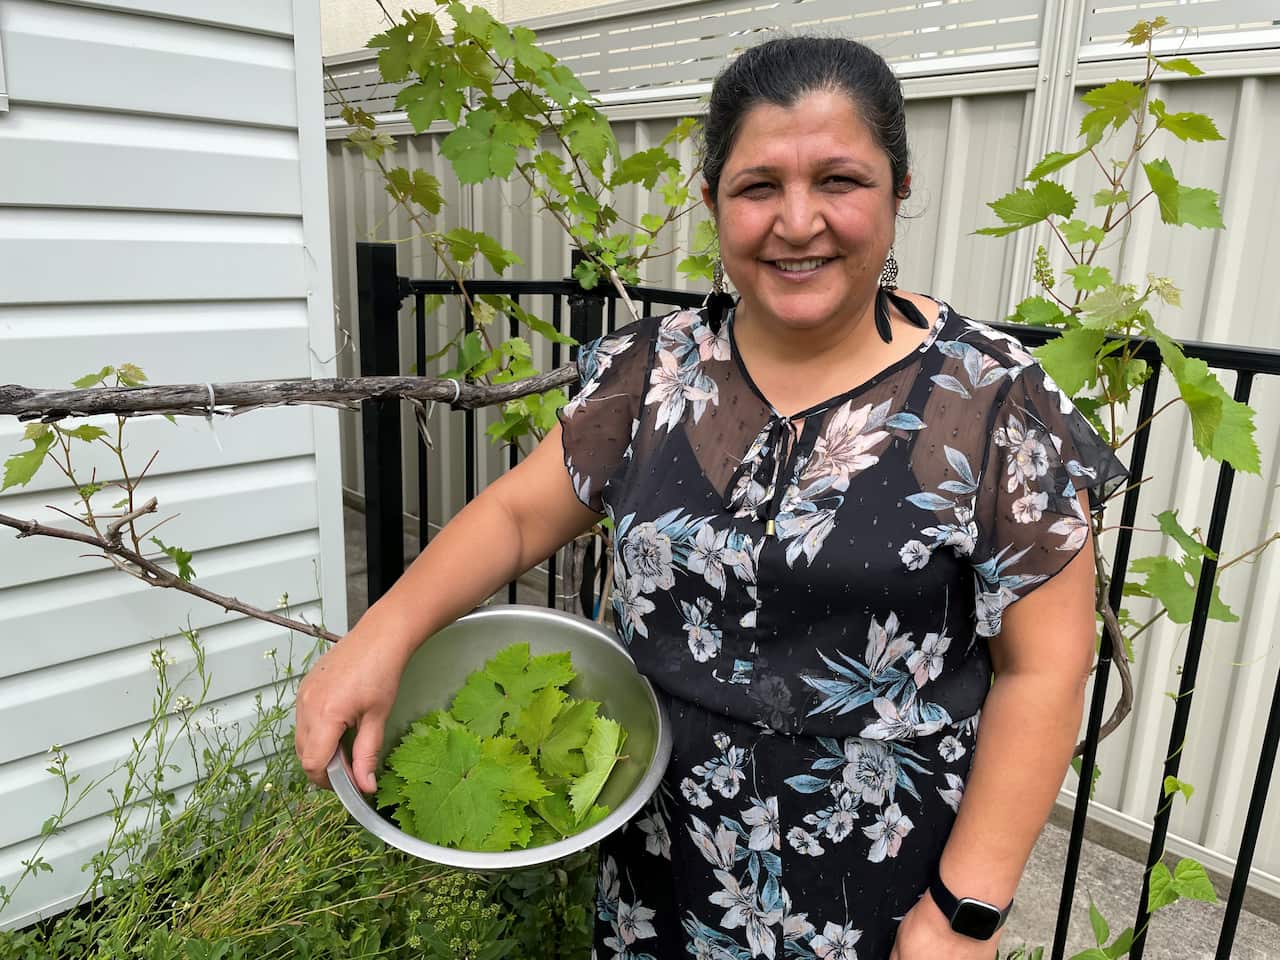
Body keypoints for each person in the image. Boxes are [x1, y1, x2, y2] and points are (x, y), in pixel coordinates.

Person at [296, 35, 1128, 960]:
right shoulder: (654, 373)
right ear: (712, 202)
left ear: (898, 190)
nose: (798, 222)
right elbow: (518, 513)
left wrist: (966, 910)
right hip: (658, 873)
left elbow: (1045, 669)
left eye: (840, 181)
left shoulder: (990, 401)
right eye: (758, 186)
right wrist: (380, 635)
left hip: (880, 894)